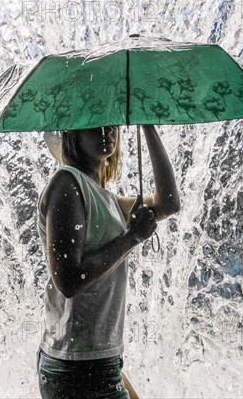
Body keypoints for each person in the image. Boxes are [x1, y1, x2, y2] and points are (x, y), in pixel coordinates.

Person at [36, 124, 180, 399]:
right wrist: (131, 238)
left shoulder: (107, 199)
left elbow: (169, 202)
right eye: (93, 125)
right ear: (72, 135)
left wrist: (146, 123)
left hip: (98, 359)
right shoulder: (66, 183)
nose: (106, 130)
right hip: (76, 364)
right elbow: (67, 280)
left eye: (111, 123)